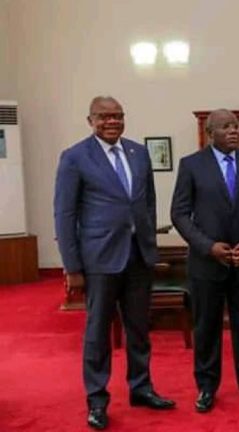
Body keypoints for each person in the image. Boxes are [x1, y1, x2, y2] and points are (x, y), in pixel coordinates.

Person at [54, 96, 175, 430]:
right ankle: (96, 400)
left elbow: (148, 203)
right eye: (105, 117)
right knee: (97, 333)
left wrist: (149, 242)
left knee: (139, 328)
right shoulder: (75, 157)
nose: (113, 122)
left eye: (118, 116)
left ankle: (141, 388)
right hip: (99, 259)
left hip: (138, 256)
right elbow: (64, 215)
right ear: (90, 120)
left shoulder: (138, 153)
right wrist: (72, 266)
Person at [170, 109, 239, 413]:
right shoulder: (191, 165)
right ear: (210, 132)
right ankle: (206, 387)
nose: (233, 131)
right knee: (206, 327)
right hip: (206, 263)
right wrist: (206, 246)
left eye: (235, 126)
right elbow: (179, 213)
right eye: (225, 127)